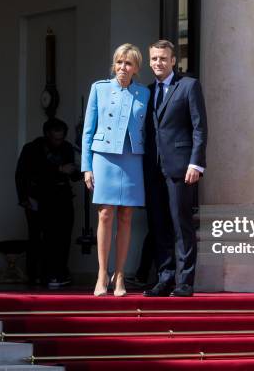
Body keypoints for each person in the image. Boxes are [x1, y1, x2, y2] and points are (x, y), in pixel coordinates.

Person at [81, 43, 150, 297]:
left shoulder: (145, 94)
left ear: (136, 68)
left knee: (126, 216)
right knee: (105, 215)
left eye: (128, 63)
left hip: (132, 158)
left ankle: (119, 274)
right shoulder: (99, 89)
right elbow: (87, 130)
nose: (123, 68)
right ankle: (101, 273)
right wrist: (86, 167)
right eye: (119, 62)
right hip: (104, 158)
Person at [143, 40, 208, 298]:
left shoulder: (188, 85)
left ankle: (185, 282)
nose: (158, 63)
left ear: (173, 61)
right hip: (153, 168)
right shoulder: (147, 92)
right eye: (154, 59)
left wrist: (196, 162)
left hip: (181, 167)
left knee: (181, 225)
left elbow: (200, 127)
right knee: (158, 225)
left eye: (162, 58)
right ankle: (165, 277)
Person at [15, 117, 80, 287]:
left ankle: (59, 274)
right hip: (38, 198)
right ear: (46, 135)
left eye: (61, 138)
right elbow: (23, 173)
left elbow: (73, 174)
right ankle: (36, 275)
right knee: (39, 238)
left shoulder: (67, 148)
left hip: (62, 197)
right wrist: (23, 199)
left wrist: (79, 170)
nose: (59, 142)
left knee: (63, 237)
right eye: (55, 138)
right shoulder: (32, 148)